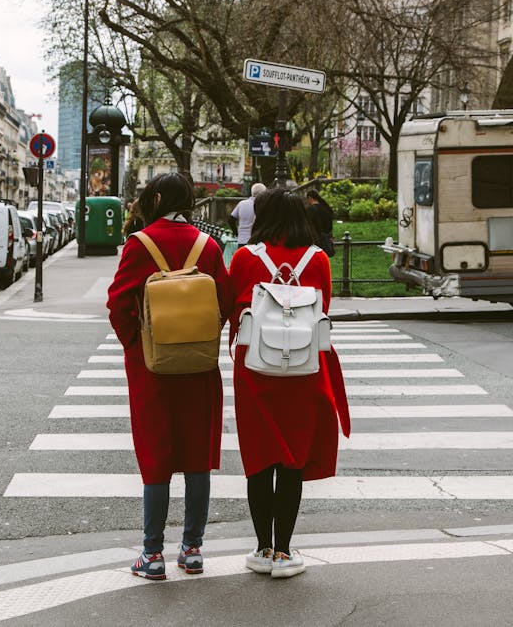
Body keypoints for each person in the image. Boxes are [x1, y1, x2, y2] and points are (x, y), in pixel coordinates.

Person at [106, 172, 233, 581]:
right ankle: (193, 549)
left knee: (156, 456)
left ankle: (152, 553)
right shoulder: (207, 245)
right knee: (198, 456)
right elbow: (226, 300)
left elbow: (117, 302)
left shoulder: (139, 245)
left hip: (153, 368)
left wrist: (138, 345)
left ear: (157, 197)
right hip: (198, 365)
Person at [228, 187, 351, 579]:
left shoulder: (246, 257)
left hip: (255, 371)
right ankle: (284, 552)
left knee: (259, 458)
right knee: (293, 459)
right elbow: (324, 310)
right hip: (304, 369)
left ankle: (262, 546)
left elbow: (234, 312)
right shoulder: (318, 259)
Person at [305, 189, 336, 257]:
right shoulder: (326, 208)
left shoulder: (310, 209)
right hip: (327, 238)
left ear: (310, 198)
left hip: (316, 241)